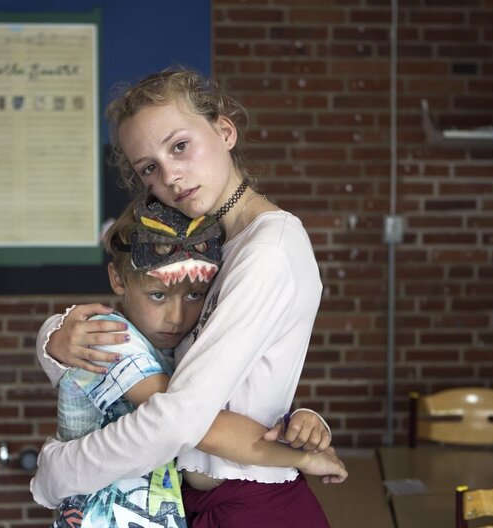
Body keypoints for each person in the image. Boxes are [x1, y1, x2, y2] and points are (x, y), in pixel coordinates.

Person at [31, 68, 338, 527]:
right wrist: (54, 338)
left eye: (179, 146)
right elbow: (157, 362)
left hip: (252, 505)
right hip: (193, 502)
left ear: (225, 131)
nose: (170, 175)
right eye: (149, 168)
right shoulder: (212, 248)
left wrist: (57, 472)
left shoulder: (269, 249)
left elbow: (177, 418)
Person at [52, 196, 346, 527]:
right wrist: (304, 458)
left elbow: (247, 392)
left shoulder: (172, 345)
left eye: (194, 295)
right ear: (118, 279)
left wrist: (301, 419)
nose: (177, 317)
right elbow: (195, 422)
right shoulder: (108, 338)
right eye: (158, 295)